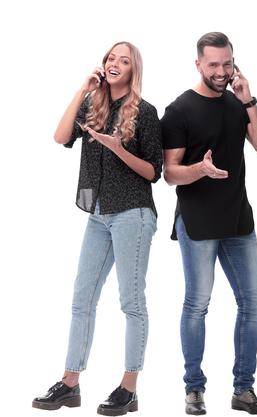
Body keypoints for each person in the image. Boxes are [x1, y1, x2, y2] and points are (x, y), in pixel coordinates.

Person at [33, 41, 163, 417]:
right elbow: (60, 137)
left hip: (133, 214)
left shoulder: (147, 113)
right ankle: (70, 383)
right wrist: (81, 90)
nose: (114, 64)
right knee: (81, 298)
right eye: (111, 58)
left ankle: (129, 388)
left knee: (130, 302)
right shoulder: (92, 106)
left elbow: (153, 172)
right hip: (98, 214)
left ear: (133, 69)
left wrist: (117, 148)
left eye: (124, 60)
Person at [161, 32, 257, 415]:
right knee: (197, 305)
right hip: (197, 223)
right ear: (198, 64)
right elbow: (170, 174)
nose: (222, 72)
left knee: (253, 303)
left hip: (239, 221)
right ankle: (194, 389)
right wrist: (201, 169)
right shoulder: (179, 110)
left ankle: (243, 390)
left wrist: (248, 100)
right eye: (213, 65)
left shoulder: (237, 103)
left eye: (227, 64)